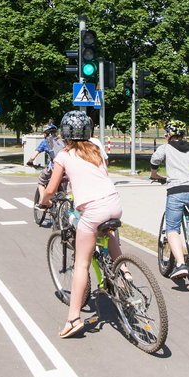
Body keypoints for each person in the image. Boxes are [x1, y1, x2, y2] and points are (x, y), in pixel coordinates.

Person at [42, 110, 122, 338]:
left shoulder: (64, 155)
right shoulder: (96, 149)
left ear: (64, 133)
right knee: (108, 235)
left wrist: (44, 201)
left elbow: (51, 188)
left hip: (93, 210)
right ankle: (125, 276)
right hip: (114, 203)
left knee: (81, 264)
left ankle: (74, 318)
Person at [149, 119, 189, 280]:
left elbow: (154, 160)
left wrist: (154, 175)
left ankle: (180, 264)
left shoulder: (166, 148)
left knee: (172, 229)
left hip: (176, 191)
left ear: (169, 135)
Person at [26, 124, 65, 203]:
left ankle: (44, 201)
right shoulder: (62, 141)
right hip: (65, 168)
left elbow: (34, 156)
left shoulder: (45, 142)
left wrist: (29, 162)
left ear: (47, 133)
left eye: (44, 133)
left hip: (53, 168)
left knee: (41, 181)